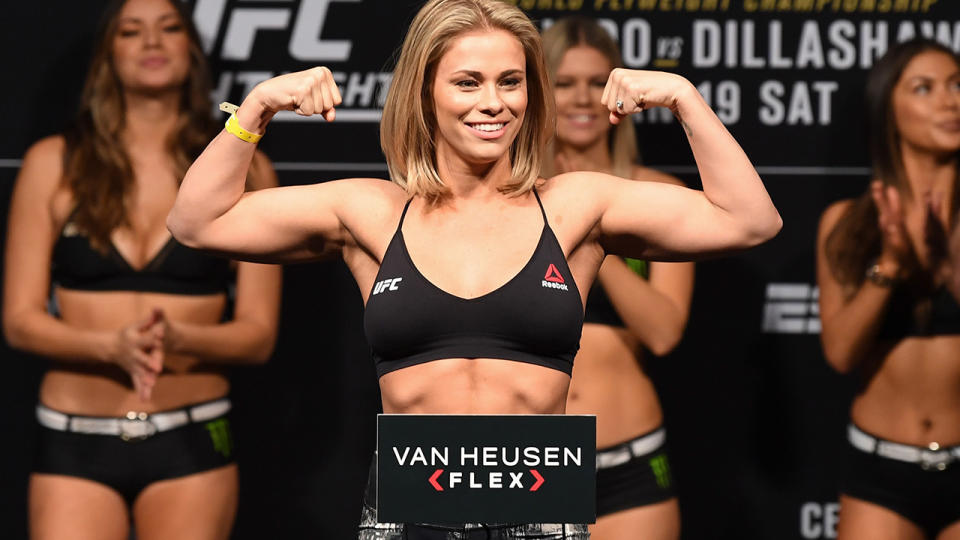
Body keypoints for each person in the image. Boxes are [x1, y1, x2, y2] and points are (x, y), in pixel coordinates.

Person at [166, 0, 780, 537]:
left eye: (511, 82)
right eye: (468, 82)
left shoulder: (574, 205)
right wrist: (257, 108)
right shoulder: (369, 211)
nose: (494, 103)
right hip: (409, 513)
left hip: (539, 513)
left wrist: (683, 98)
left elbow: (750, 220)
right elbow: (197, 222)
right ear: (425, 91)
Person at [2, 0, 281, 538]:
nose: (152, 42)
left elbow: (258, 335)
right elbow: (19, 319)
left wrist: (178, 337)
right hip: (73, 436)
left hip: (193, 435)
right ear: (109, 52)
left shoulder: (247, 167)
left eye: (169, 27)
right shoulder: (52, 162)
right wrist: (109, 347)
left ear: (192, 49)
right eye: (132, 31)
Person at [542, 17, 693, 540]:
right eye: (563, 83)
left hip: (631, 462)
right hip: (529, 468)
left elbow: (663, 332)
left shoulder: (657, 195)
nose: (581, 98)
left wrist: (589, 230)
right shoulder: (514, 198)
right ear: (541, 92)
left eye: (595, 82)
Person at [816, 39, 960, 540]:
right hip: (880, 468)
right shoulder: (849, 222)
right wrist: (893, 266)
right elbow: (839, 352)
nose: (951, 101)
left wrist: (948, 264)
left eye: (957, 84)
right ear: (887, 109)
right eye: (925, 88)